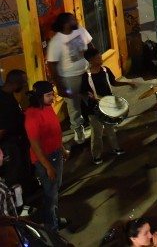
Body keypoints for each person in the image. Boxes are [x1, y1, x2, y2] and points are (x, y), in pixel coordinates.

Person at [25, 81, 68, 231]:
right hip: (46, 159)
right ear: (38, 97)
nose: (53, 98)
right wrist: (48, 167)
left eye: (53, 94)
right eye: (49, 95)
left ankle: (54, 218)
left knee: (55, 190)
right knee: (50, 194)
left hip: (56, 154)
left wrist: (62, 149)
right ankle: (51, 227)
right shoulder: (31, 116)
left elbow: (54, 132)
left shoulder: (48, 108)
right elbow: (35, 145)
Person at [45, 12, 93, 143]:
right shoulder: (56, 42)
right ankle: (78, 130)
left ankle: (97, 123)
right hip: (69, 78)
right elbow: (52, 65)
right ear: (66, 24)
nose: (76, 21)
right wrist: (59, 86)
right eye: (73, 20)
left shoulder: (80, 30)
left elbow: (91, 46)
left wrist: (94, 62)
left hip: (85, 72)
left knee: (92, 98)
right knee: (74, 106)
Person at [80, 47, 134, 163]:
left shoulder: (105, 70)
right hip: (93, 109)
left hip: (109, 105)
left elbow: (114, 82)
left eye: (100, 56)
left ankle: (116, 148)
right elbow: (82, 93)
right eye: (98, 57)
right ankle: (96, 155)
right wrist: (90, 96)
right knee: (97, 133)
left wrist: (128, 83)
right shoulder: (86, 76)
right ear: (91, 61)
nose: (101, 58)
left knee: (111, 129)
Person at [0, 70, 29, 192]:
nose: (25, 85)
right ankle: (17, 203)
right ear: (17, 84)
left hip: (15, 140)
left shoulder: (6, 93)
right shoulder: (3, 103)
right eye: (24, 83)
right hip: (9, 144)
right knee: (13, 174)